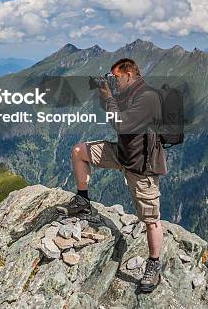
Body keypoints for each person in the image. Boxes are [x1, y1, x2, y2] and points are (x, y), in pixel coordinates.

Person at [55, 58, 167, 294]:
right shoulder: (130, 93)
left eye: (116, 77)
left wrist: (106, 94)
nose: (114, 81)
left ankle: (154, 264)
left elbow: (121, 124)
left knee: (150, 219)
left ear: (128, 73)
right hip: (121, 152)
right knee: (79, 151)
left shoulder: (147, 97)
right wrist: (104, 90)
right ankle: (83, 200)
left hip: (141, 165)